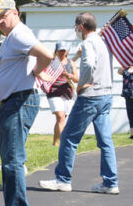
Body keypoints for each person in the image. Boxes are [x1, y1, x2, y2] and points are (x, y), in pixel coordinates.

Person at [0, 0, 54, 206]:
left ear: (16, 13)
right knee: (10, 158)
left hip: (19, 101)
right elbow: (14, 69)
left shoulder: (19, 34)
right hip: (13, 101)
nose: (0, 20)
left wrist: (37, 72)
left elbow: (47, 55)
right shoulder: (12, 38)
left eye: (4, 15)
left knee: (13, 160)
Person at [39, 12, 119, 194]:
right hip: (106, 95)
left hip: (90, 96)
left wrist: (81, 84)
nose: (76, 30)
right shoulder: (104, 42)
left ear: (81, 26)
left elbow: (89, 65)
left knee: (68, 137)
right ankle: (110, 182)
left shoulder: (89, 42)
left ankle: (63, 179)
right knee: (106, 141)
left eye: (76, 26)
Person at [42, 41, 79, 146]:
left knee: (63, 118)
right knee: (60, 116)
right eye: (60, 50)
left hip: (68, 93)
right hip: (54, 92)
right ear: (56, 51)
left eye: (64, 50)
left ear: (67, 51)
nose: (62, 53)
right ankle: (62, 144)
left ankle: (56, 142)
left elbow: (77, 79)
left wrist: (70, 76)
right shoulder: (51, 62)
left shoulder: (71, 63)